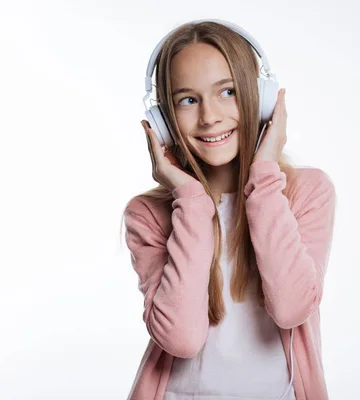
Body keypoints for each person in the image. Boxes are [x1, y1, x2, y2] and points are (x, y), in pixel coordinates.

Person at [120, 20, 336, 400]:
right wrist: (189, 198)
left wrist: (265, 177)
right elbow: (182, 338)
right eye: (188, 99)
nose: (209, 116)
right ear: (163, 120)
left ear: (262, 98)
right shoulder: (148, 215)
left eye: (227, 92)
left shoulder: (307, 192)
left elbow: (291, 308)